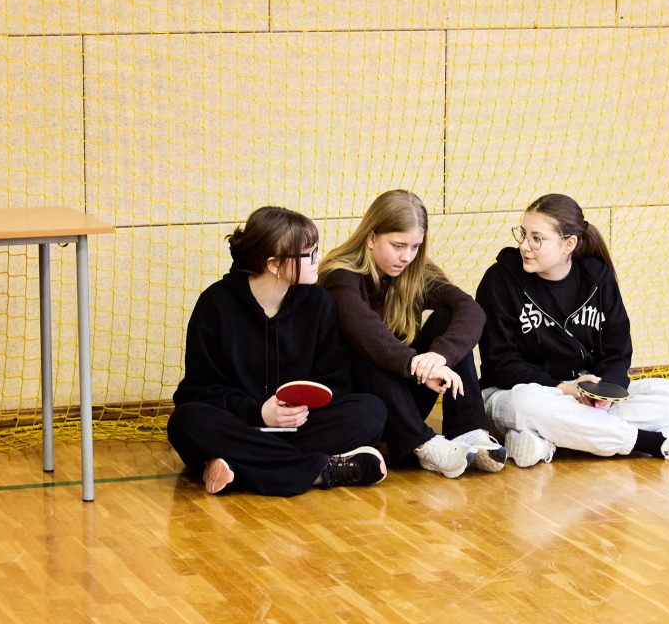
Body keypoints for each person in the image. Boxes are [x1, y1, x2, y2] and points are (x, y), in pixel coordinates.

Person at [475, 192, 669, 468]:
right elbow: (500, 363)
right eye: (523, 234)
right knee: (529, 404)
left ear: (568, 244)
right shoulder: (500, 280)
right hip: (520, 394)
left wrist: (605, 395)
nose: (525, 245)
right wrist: (563, 389)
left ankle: (547, 441)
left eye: (537, 238)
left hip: (585, 395)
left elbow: (618, 352)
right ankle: (657, 442)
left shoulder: (597, 277)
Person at [167, 206, 388, 496]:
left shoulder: (319, 303)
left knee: (371, 411)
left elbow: (335, 382)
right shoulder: (215, 305)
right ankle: (322, 471)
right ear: (273, 264)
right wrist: (258, 412)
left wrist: (299, 408)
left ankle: (238, 466)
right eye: (309, 254)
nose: (318, 259)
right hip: (240, 424)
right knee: (186, 422)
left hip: (298, 427)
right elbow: (196, 391)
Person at [318, 190, 505, 479]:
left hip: (407, 393)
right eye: (398, 245)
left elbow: (471, 309)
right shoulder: (340, 276)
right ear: (370, 238)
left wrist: (439, 356)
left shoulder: (415, 271)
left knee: (448, 320)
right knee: (364, 346)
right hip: (365, 407)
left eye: (415, 246)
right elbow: (367, 333)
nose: (407, 256)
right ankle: (422, 444)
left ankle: (468, 432)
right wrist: (414, 365)